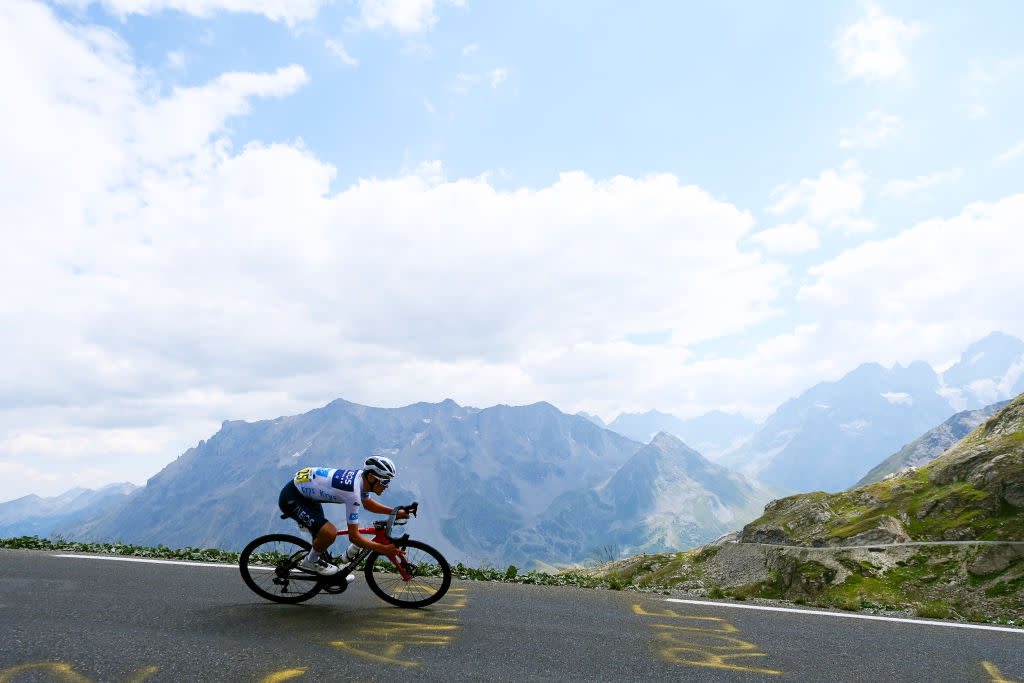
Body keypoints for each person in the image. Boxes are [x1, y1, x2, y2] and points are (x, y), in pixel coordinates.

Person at [278, 456, 408, 575]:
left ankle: (329, 572)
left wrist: (396, 512)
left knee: (322, 535)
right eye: (385, 481)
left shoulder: (361, 479)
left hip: (306, 495)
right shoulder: (353, 493)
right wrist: (383, 549)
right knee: (329, 533)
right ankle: (311, 561)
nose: (387, 485)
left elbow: (368, 504)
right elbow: (354, 537)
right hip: (292, 498)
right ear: (371, 478)